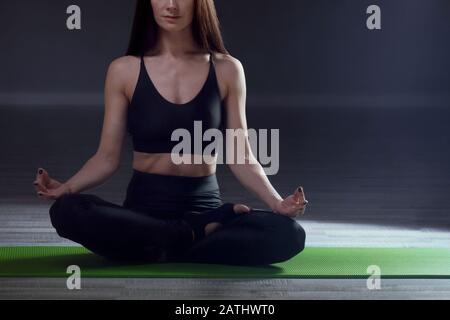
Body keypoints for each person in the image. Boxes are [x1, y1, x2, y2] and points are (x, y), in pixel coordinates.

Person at [32, 0, 308, 265]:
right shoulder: (123, 70)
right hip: (144, 210)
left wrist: (276, 203)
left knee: (289, 235)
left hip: (205, 206)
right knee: (67, 211)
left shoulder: (227, 69)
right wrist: (66, 188)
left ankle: (161, 243)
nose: (172, 4)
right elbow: (106, 158)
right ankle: (194, 234)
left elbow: (242, 157)